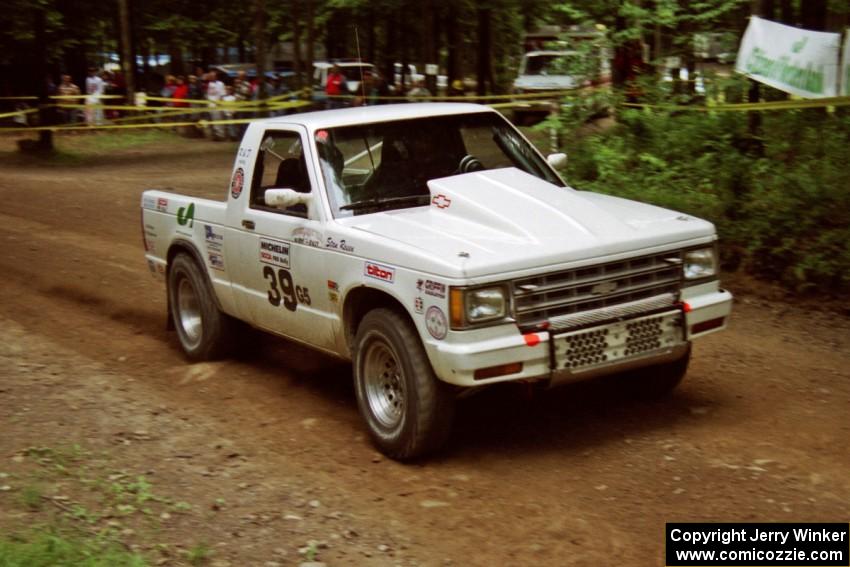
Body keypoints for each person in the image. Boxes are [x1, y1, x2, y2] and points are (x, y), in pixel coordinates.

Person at [205, 71, 227, 141]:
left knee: (219, 120)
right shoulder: (209, 84)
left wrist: (220, 103)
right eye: (210, 76)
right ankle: (215, 135)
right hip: (210, 105)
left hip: (217, 105)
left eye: (213, 76)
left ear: (216, 76)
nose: (211, 77)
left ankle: (221, 135)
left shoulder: (220, 84)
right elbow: (208, 94)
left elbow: (222, 94)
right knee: (213, 121)